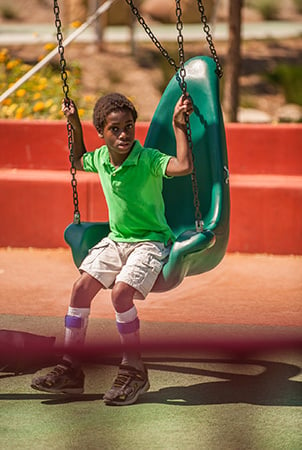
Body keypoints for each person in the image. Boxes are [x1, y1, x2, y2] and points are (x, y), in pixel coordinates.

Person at [31, 92, 193, 405]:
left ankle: (134, 369)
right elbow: (78, 159)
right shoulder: (102, 159)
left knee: (121, 294)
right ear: (102, 133)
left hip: (151, 241)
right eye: (115, 129)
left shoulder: (148, 160)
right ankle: (71, 366)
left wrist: (179, 125)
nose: (124, 134)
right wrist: (73, 122)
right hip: (117, 240)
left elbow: (184, 165)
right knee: (80, 288)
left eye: (129, 126)